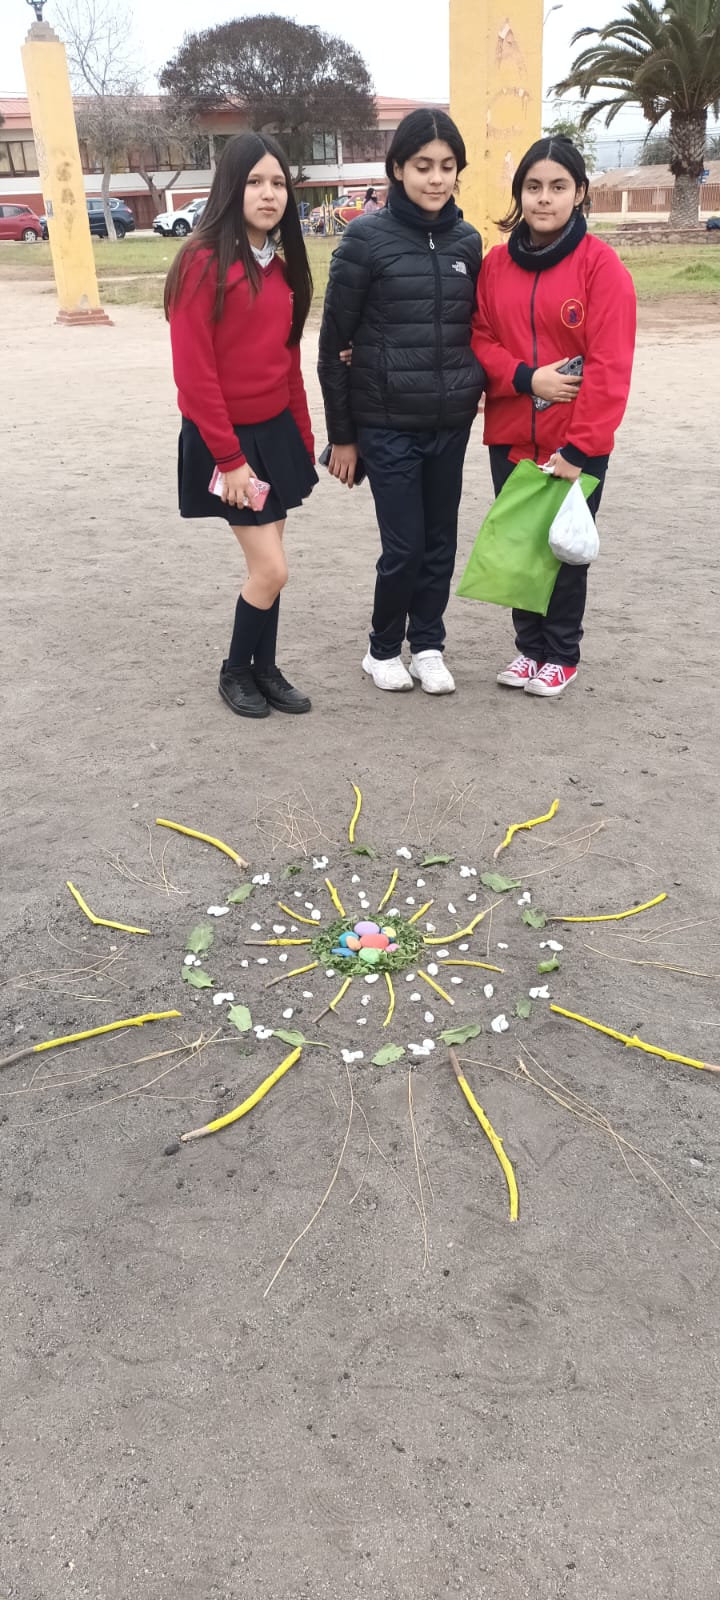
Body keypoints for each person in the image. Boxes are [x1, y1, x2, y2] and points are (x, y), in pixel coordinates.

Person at [318, 108, 485, 696]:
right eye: (422, 166)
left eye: (446, 166)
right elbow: (332, 345)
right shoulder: (364, 240)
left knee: (440, 544)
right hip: (386, 423)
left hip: (449, 423)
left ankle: (429, 646)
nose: (436, 178)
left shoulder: (468, 241)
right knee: (405, 546)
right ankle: (383, 648)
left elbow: (478, 328)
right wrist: (342, 437)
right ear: (397, 169)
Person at [471, 135, 636, 698]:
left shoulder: (601, 267)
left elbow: (610, 366)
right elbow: (480, 338)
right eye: (534, 187)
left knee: (564, 548)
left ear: (580, 192)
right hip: (511, 433)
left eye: (558, 187)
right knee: (521, 543)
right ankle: (529, 649)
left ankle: (561, 653)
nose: (544, 198)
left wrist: (582, 447)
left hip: (573, 442)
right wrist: (526, 378)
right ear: (519, 193)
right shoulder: (495, 265)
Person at [165, 132, 317, 720]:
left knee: (268, 568)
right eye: (255, 181)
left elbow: (288, 363)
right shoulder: (201, 261)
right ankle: (235, 671)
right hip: (226, 443)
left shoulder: (281, 267)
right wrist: (229, 461)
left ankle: (264, 670)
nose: (269, 193)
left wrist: (302, 440)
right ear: (231, 187)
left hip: (275, 436)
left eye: (278, 182)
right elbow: (194, 375)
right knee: (272, 569)